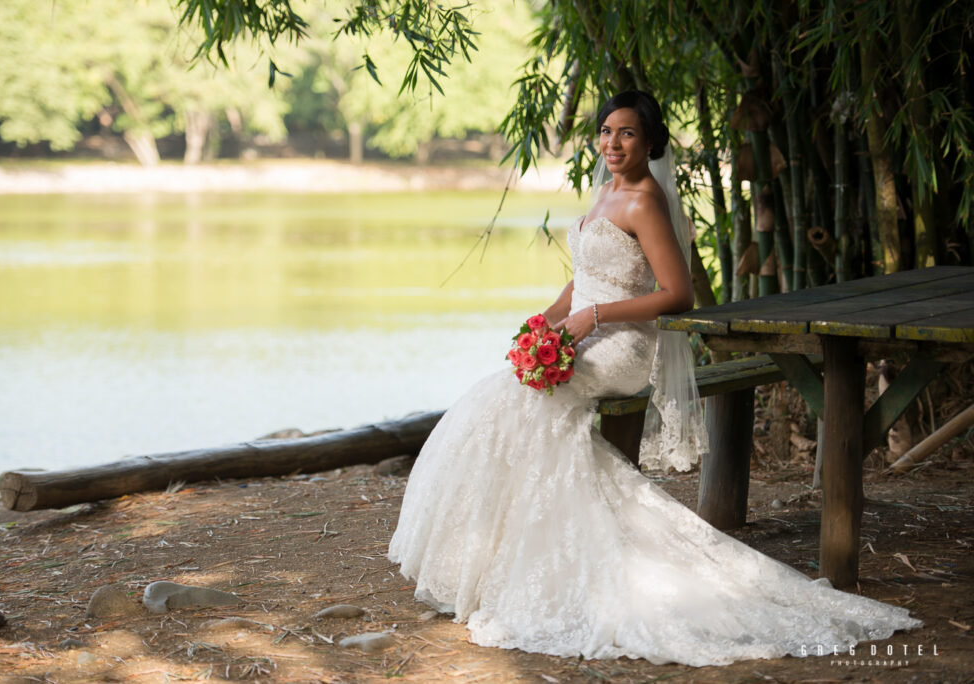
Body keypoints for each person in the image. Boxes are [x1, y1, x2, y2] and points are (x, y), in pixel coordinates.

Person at [388, 90, 920, 666]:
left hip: (619, 345)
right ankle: (500, 563)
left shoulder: (645, 202)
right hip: (582, 331)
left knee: (512, 402)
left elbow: (676, 293)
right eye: (606, 132)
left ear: (650, 143)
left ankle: (557, 563)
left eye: (627, 134)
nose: (612, 144)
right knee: (503, 394)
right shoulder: (604, 192)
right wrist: (543, 324)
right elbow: (584, 278)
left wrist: (593, 319)